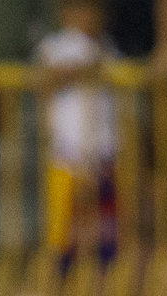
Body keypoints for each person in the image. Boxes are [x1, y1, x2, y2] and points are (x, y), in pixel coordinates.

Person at [37, 0, 116, 268]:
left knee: (103, 238)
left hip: (103, 156)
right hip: (65, 157)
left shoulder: (107, 48)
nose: (85, 16)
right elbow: (42, 79)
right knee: (63, 240)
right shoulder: (54, 46)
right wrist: (81, 70)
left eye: (91, 9)